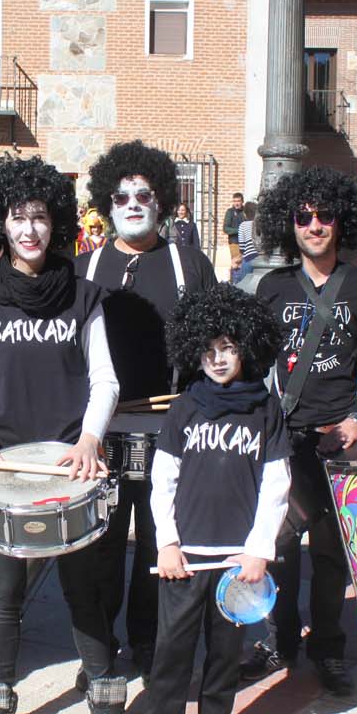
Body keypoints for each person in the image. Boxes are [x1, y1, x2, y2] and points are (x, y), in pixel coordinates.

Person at [0, 157, 121, 714]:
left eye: (40, 217)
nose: (29, 230)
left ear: (57, 224)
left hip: (71, 465)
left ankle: (105, 702)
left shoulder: (83, 296)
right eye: (17, 217)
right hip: (6, 468)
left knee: (84, 592)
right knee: (4, 597)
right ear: (0, 223)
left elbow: (105, 380)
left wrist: (89, 440)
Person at [101, 284, 289, 714]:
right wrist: (165, 543)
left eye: (228, 348)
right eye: (208, 350)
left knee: (225, 654)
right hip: (183, 558)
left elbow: (276, 484)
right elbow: (162, 480)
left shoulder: (266, 410)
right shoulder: (185, 407)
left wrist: (259, 549)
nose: (218, 359)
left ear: (246, 347)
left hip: (236, 564)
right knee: (171, 656)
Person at [246, 167, 357, 693]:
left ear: (341, 221)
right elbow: (250, 362)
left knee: (332, 554)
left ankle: (329, 647)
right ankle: (280, 641)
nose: (314, 225)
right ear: (288, 224)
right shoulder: (272, 287)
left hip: (342, 441)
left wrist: (356, 420)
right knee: (280, 544)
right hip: (286, 440)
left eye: (324, 215)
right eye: (303, 216)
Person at [76, 142, 218, 674]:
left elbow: (214, 347)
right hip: (103, 433)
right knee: (102, 545)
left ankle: (148, 642)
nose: (133, 204)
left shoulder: (191, 264)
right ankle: (98, 650)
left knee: (160, 539)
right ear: (106, 204)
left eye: (144, 194)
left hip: (170, 430)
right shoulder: (83, 268)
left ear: (161, 201)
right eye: (121, 197)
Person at [223, 191, 246, 276]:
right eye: (235, 201)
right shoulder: (230, 212)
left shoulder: (245, 211)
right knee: (236, 264)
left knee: (245, 264)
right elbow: (225, 229)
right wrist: (239, 230)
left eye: (238, 201)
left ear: (242, 201)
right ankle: (234, 281)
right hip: (234, 242)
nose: (236, 203)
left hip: (246, 242)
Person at [236, 203, 260, 283]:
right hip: (260, 257)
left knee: (243, 282)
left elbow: (242, 248)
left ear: (245, 214)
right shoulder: (259, 224)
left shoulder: (243, 225)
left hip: (249, 257)